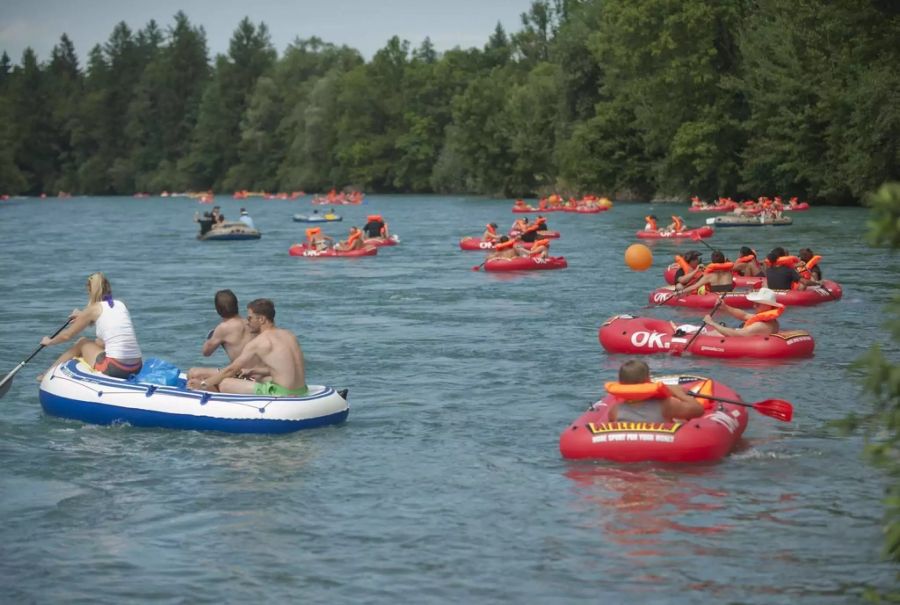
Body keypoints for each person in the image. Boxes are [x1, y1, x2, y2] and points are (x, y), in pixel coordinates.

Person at [187, 299, 307, 396]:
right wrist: (253, 371)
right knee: (261, 379)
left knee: (225, 383)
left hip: (282, 393)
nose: (247, 322)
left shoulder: (259, 341)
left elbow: (231, 370)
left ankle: (210, 398)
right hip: (301, 390)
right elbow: (285, 368)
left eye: (250, 318)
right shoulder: (289, 335)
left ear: (261, 319)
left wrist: (203, 384)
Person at [39, 272, 143, 380]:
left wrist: (49, 341)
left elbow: (67, 336)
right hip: (137, 366)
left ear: (91, 290)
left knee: (82, 342)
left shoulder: (93, 309)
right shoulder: (121, 304)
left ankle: (46, 375)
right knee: (98, 342)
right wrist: (81, 315)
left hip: (115, 368)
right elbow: (104, 320)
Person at [187, 290, 255, 384]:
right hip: (256, 373)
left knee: (193, 373)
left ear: (218, 310)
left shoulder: (223, 328)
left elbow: (206, 352)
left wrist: (212, 335)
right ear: (236, 305)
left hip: (240, 374)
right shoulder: (251, 323)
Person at [606, 360, 705, 423]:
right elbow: (698, 411)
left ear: (621, 383)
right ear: (647, 379)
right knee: (680, 420)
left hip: (630, 447)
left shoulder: (615, 410)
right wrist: (679, 393)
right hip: (662, 447)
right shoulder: (667, 404)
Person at [702, 287, 785, 337]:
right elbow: (744, 315)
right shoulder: (770, 320)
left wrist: (712, 323)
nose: (754, 306)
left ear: (767, 306)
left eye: (757, 304)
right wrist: (725, 307)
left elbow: (736, 335)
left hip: (738, 337)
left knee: (713, 334)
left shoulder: (760, 325)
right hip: (743, 333)